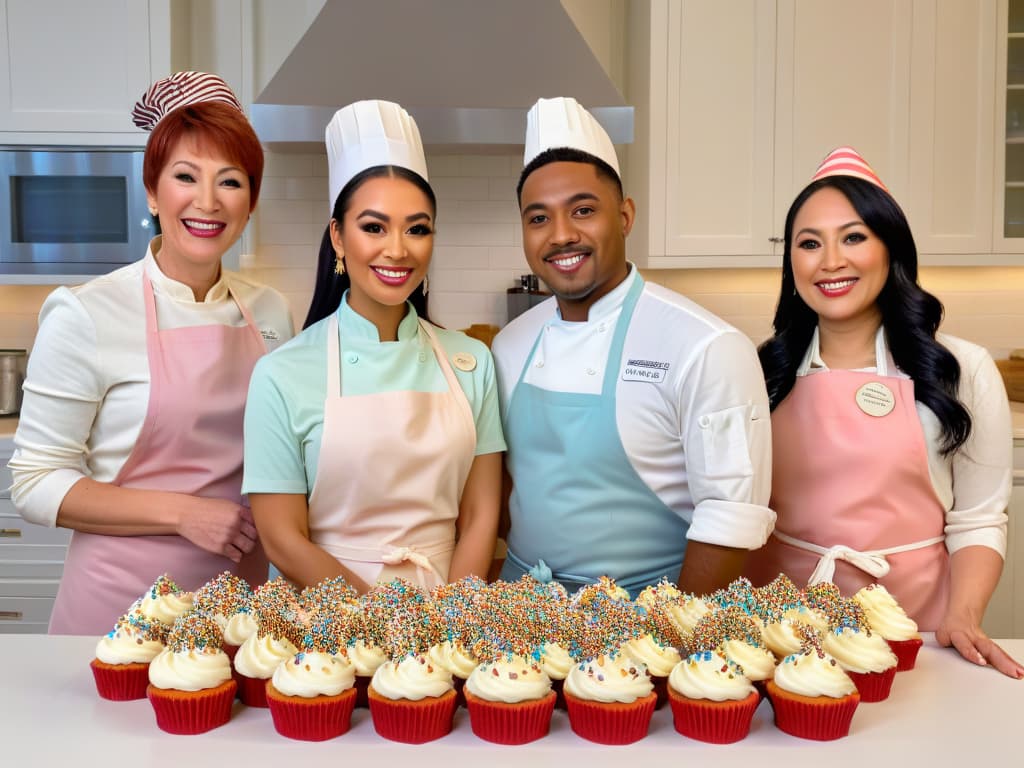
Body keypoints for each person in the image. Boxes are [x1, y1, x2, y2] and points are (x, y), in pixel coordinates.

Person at [7, 72, 295, 634]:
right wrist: (184, 513)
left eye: (231, 182)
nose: (207, 202)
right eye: (185, 176)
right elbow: (35, 482)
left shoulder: (273, 312)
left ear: (251, 201)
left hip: (240, 613)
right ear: (152, 190)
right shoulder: (85, 312)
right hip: (119, 612)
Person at [746, 147, 1023, 678]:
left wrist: (962, 616)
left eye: (853, 237)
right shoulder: (760, 371)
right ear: (792, 263)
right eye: (809, 244)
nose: (830, 261)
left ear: (890, 249)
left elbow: (978, 517)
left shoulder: (960, 369)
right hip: (779, 634)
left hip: (914, 633)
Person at [491, 97, 776, 598]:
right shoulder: (509, 344)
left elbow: (731, 517)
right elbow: (507, 487)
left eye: (583, 210)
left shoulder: (707, 346)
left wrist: (668, 640)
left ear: (624, 216)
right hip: (518, 622)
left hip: (644, 625)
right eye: (538, 218)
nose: (561, 235)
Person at [242, 100, 505, 593]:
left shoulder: (472, 362)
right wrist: (384, 623)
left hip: (447, 617)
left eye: (417, 228)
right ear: (338, 237)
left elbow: (478, 517)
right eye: (374, 227)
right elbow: (281, 538)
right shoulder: (281, 374)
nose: (398, 249)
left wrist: (450, 623)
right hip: (329, 625)